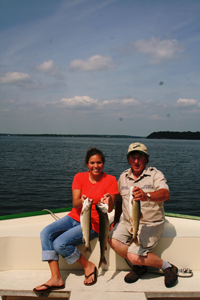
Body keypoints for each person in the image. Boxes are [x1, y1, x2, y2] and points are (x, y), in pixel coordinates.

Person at [33, 147, 118, 293]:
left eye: (99, 162)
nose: (95, 166)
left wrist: (109, 199)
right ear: (87, 164)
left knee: (60, 244)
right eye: (92, 163)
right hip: (74, 217)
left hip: (94, 224)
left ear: (103, 163)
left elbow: (110, 208)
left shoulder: (110, 180)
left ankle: (88, 266)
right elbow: (75, 203)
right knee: (45, 233)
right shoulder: (79, 177)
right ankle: (56, 277)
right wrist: (82, 200)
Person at [109, 142, 178, 288]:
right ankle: (140, 266)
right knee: (110, 239)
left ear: (146, 159)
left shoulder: (155, 174)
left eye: (140, 157)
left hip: (150, 223)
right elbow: (120, 201)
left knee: (133, 256)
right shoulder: (123, 177)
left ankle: (168, 267)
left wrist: (146, 195)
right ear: (128, 159)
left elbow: (165, 194)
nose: (136, 161)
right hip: (128, 222)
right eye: (132, 157)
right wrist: (115, 220)